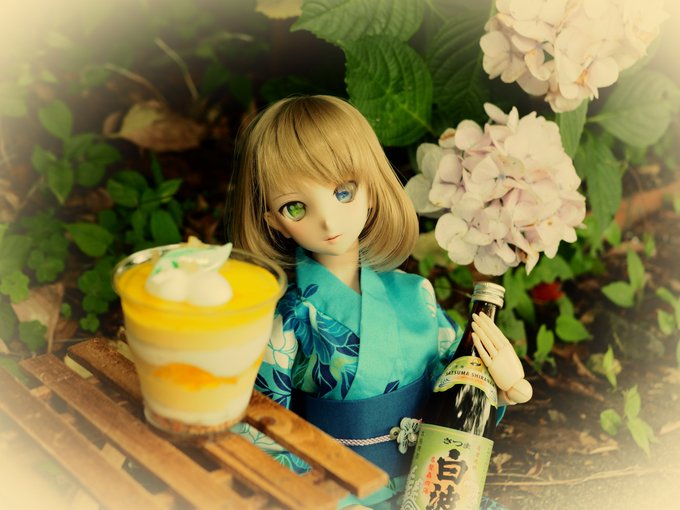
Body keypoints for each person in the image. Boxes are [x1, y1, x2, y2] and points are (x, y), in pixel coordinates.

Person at [227, 95, 532, 508]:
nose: (328, 220)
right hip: (339, 492)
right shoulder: (290, 320)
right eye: (295, 207)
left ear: (371, 190)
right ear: (273, 222)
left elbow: (461, 387)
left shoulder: (415, 294)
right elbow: (263, 426)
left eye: (343, 192)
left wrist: (507, 386)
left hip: (434, 482)